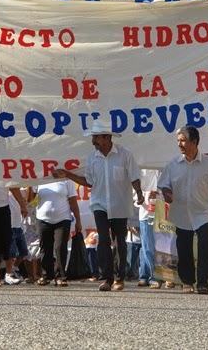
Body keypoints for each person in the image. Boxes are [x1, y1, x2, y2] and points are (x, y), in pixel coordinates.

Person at [54, 119, 144, 292]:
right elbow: (88, 181)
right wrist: (67, 174)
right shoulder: (92, 157)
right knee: (103, 239)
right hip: (99, 204)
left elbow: (134, 176)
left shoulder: (125, 154)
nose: (93, 141)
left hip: (120, 204)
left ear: (107, 138)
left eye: (96, 137)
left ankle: (120, 277)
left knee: (119, 242)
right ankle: (107, 278)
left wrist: (139, 193)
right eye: (93, 137)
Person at [158, 126, 208, 295]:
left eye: (183, 140)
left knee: (204, 247)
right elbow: (163, 185)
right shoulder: (173, 164)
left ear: (194, 142)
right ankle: (187, 281)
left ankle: (202, 282)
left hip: (203, 213)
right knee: (184, 248)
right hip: (181, 213)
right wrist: (167, 194)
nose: (179, 144)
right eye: (178, 141)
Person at [28, 179, 81, 286]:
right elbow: (31, 200)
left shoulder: (66, 180)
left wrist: (78, 220)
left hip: (63, 218)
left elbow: (73, 201)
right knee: (45, 247)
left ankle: (61, 276)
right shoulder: (39, 178)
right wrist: (30, 185)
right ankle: (46, 275)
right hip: (42, 219)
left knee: (60, 247)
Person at [137, 170, 160, 289]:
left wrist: (158, 194)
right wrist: (146, 196)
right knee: (147, 247)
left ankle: (144, 275)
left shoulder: (163, 168)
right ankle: (152, 277)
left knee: (157, 247)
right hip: (146, 214)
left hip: (163, 215)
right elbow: (134, 193)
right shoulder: (141, 170)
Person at [8, 189, 30, 281]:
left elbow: (29, 199)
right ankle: (8, 273)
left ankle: (13, 268)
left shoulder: (23, 191)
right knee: (12, 253)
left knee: (23, 252)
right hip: (9, 225)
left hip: (19, 225)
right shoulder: (8, 192)